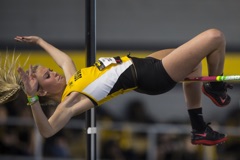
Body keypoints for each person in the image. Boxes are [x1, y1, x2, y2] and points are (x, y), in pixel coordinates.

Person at [0, 28, 231, 146]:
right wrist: (31, 99)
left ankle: (199, 128)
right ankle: (215, 89)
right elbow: (47, 131)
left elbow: (64, 60)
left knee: (195, 67)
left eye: (49, 70)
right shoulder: (72, 99)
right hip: (151, 76)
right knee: (215, 36)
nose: (55, 72)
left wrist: (40, 42)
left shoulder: (72, 81)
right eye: (48, 76)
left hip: (143, 63)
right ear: (41, 91)